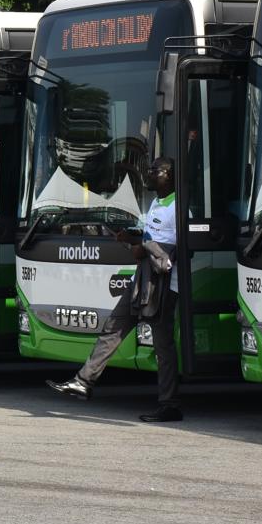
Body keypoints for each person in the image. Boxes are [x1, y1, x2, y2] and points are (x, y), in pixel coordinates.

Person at [47, 157, 182, 422]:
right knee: (114, 327)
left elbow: (175, 253)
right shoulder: (156, 203)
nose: (150, 173)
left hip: (165, 286)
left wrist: (142, 246)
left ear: (169, 175)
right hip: (143, 280)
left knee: (163, 346)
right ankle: (83, 382)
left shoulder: (179, 207)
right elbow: (149, 240)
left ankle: (170, 405)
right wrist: (132, 240)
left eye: (155, 170)